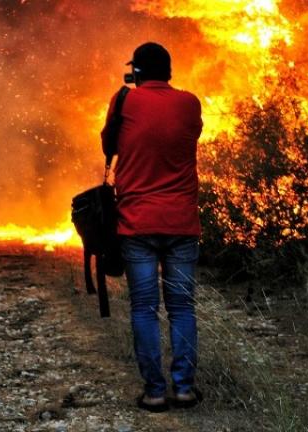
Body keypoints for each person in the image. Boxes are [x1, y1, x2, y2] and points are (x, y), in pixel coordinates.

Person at [100, 42, 203, 412]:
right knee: (182, 308)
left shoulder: (124, 100)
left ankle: (155, 392)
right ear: (170, 72)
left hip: (137, 222)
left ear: (137, 72)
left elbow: (107, 144)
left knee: (144, 308)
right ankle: (185, 388)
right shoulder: (190, 103)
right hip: (181, 222)